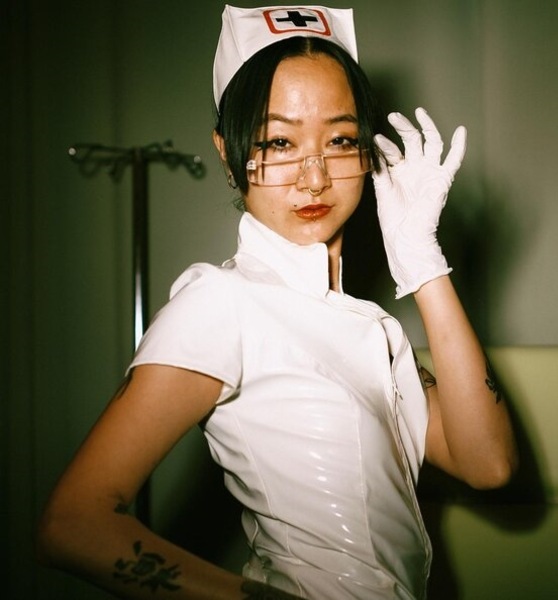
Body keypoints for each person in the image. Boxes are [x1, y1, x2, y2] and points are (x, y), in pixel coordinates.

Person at [36, 5, 518, 599]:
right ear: (228, 152)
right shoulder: (221, 302)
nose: (314, 178)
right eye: (279, 142)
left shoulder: (372, 330)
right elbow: (72, 525)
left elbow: (487, 463)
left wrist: (422, 262)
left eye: (340, 140)